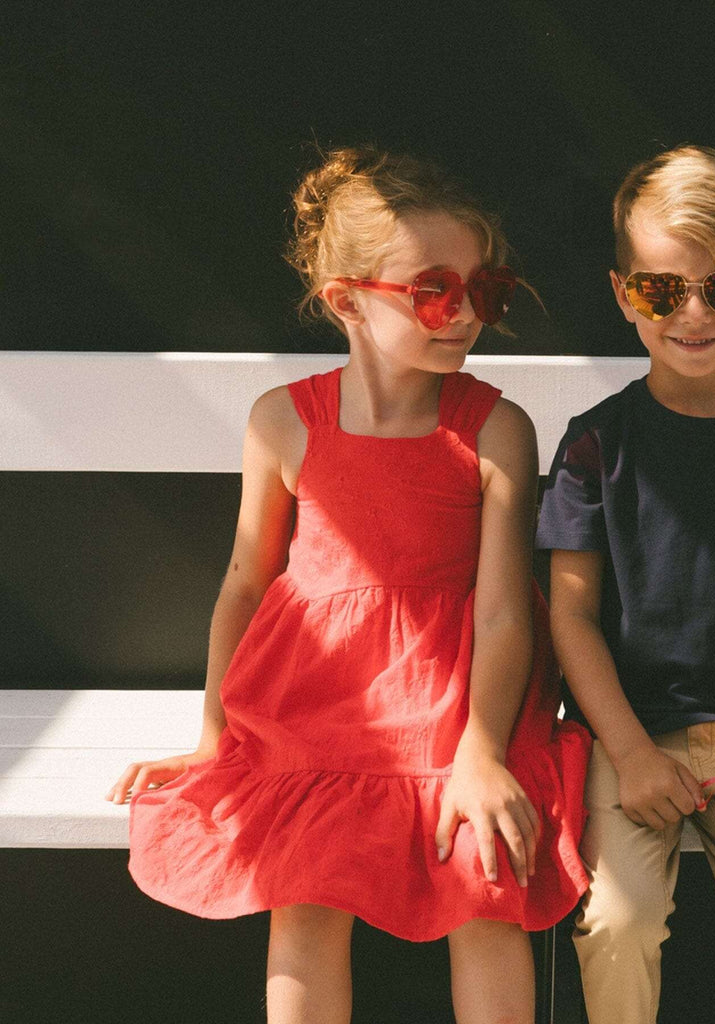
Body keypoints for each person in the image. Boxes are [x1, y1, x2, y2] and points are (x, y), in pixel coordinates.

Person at [106, 145, 590, 1024]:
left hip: (457, 700)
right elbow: (246, 585)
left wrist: (480, 753)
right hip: (318, 701)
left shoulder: (494, 430)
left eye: (483, 291)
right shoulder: (285, 422)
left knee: (484, 882)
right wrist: (217, 736)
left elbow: (504, 607)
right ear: (347, 301)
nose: (464, 314)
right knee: (303, 894)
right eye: (434, 290)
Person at [537, 144, 715, 1024]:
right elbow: (570, 614)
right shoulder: (597, 446)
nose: (693, 313)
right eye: (663, 290)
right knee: (616, 921)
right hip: (626, 742)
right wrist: (626, 752)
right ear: (626, 295)